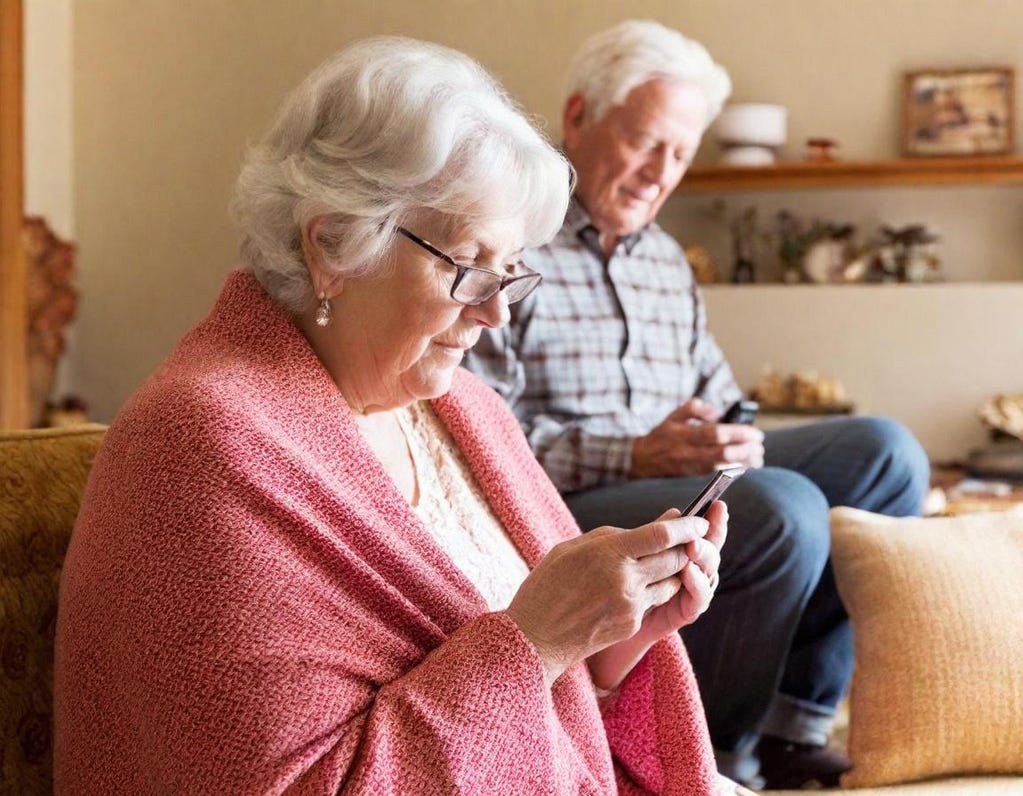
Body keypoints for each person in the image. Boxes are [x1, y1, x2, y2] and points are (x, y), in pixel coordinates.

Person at [54, 36, 755, 795]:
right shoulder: (200, 445)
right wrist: (537, 640)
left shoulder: (466, 411)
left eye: (510, 275)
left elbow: (557, 711)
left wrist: (616, 634)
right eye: (467, 266)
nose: (494, 314)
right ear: (332, 245)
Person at [464, 19, 931, 790]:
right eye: (645, 143)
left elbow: (719, 396)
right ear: (577, 117)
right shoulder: (512, 240)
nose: (660, 173)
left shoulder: (666, 264)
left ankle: (795, 725)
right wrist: (634, 454)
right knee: (784, 507)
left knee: (884, 453)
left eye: (679, 154)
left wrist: (734, 434)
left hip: (677, 475)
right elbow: (479, 439)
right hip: (566, 499)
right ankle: (714, 753)